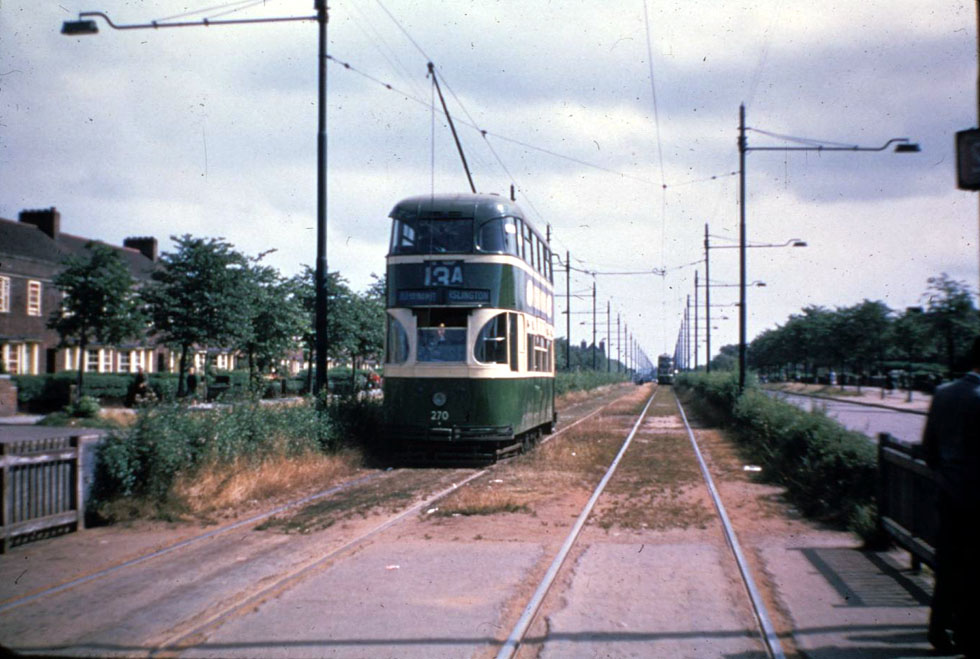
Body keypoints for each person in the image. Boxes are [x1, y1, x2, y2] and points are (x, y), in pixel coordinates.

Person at [921, 336, 980, 656]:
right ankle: (966, 634)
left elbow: (929, 450)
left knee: (948, 566)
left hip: (948, 495)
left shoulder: (943, 394)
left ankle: (938, 630)